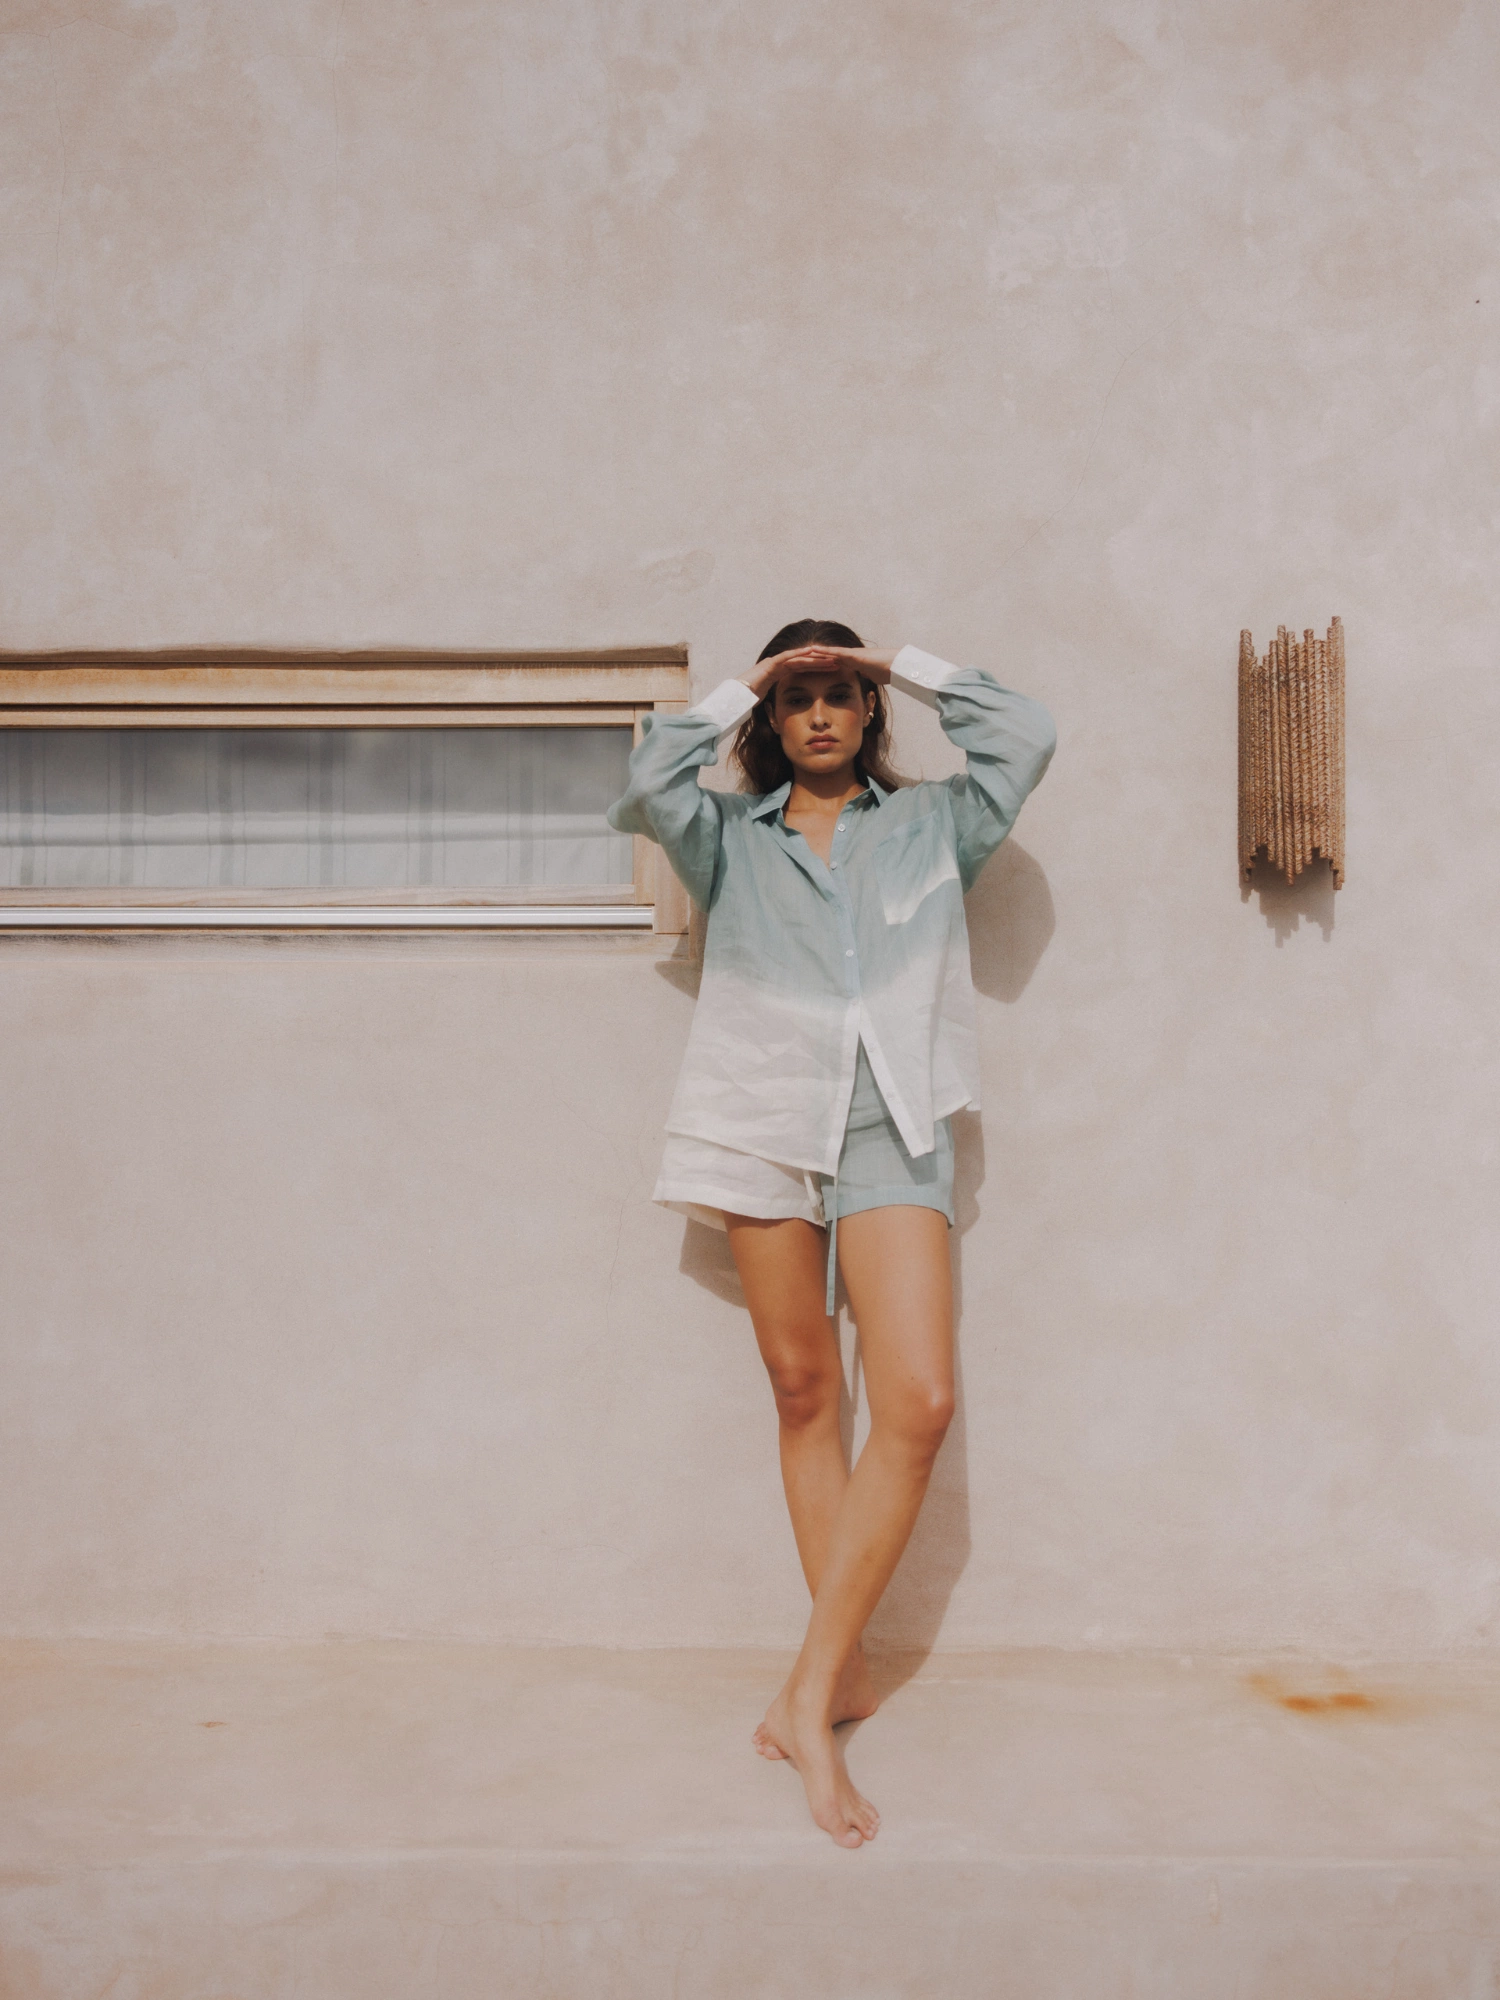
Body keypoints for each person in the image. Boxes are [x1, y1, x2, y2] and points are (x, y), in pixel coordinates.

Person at [607, 619, 1055, 1848]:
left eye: (838, 693)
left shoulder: (936, 822)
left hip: (892, 1123)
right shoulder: (726, 837)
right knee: (805, 1389)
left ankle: (806, 1687)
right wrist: (743, 681)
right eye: (796, 694)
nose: (816, 711)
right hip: (759, 1118)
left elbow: (1026, 735)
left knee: (917, 1399)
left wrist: (894, 656)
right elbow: (646, 780)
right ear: (769, 715)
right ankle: (840, 1674)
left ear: (868, 713)